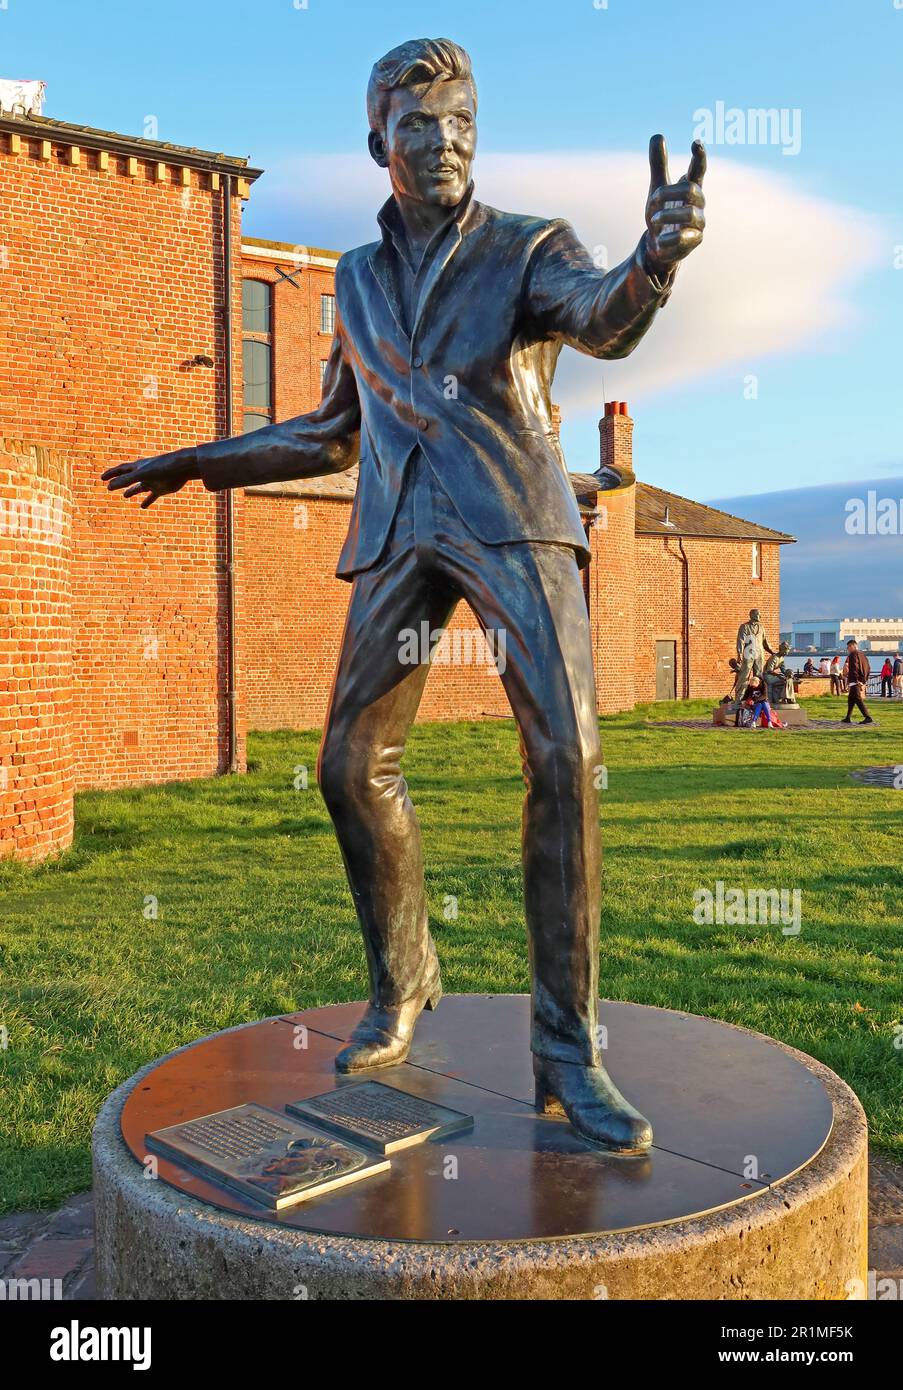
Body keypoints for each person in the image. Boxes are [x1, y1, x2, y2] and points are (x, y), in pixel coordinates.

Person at [101, 38, 707, 1154]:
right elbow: (333, 433)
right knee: (348, 765)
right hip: (399, 535)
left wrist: (654, 264)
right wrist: (201, 460)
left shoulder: (530, 246)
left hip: (515, 522)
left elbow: (599, 318)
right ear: (377, 140)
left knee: (566, 758)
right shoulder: (359, 277)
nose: (444, 143)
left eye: (462, 123)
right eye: (419, 127)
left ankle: (567, 1050)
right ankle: (404, 982)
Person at [842, 640, 874, 724]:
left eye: (848, 647)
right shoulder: (862, 655)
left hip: (855, 680)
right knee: (851, 699)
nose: (848, 649)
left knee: (857, 698)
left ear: (852, 646)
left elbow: (854, 668)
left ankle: (868, 717)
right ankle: (848, 717)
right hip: (859, 680)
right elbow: (868, 668)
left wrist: (857, 680)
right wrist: (864, 680)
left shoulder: (853, 655)